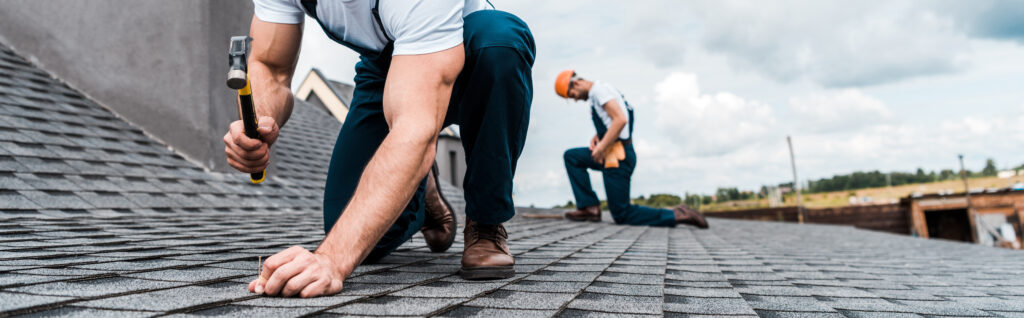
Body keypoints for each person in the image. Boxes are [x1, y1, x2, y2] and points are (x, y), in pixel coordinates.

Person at [223, 0, 535, 298]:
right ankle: (422, 194)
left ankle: (485, 222)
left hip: (469, 47)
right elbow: (270, 66)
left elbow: (415, 128)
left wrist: (331, 259)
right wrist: (260, 122)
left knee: (500, 43)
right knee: (353, 231)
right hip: (385, 63)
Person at [553, 70, 707, 229]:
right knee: (572, 157)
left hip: (618, 158)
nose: (575, 99)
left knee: (622, 214)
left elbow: (621, 120)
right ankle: (589, 207)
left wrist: (601, 148)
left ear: (576, 83)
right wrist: (599, 136)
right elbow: (616, 119)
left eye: (572, 95)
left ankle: (677, 215)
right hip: (611, 153)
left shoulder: (600, 92)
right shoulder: (599, 93)